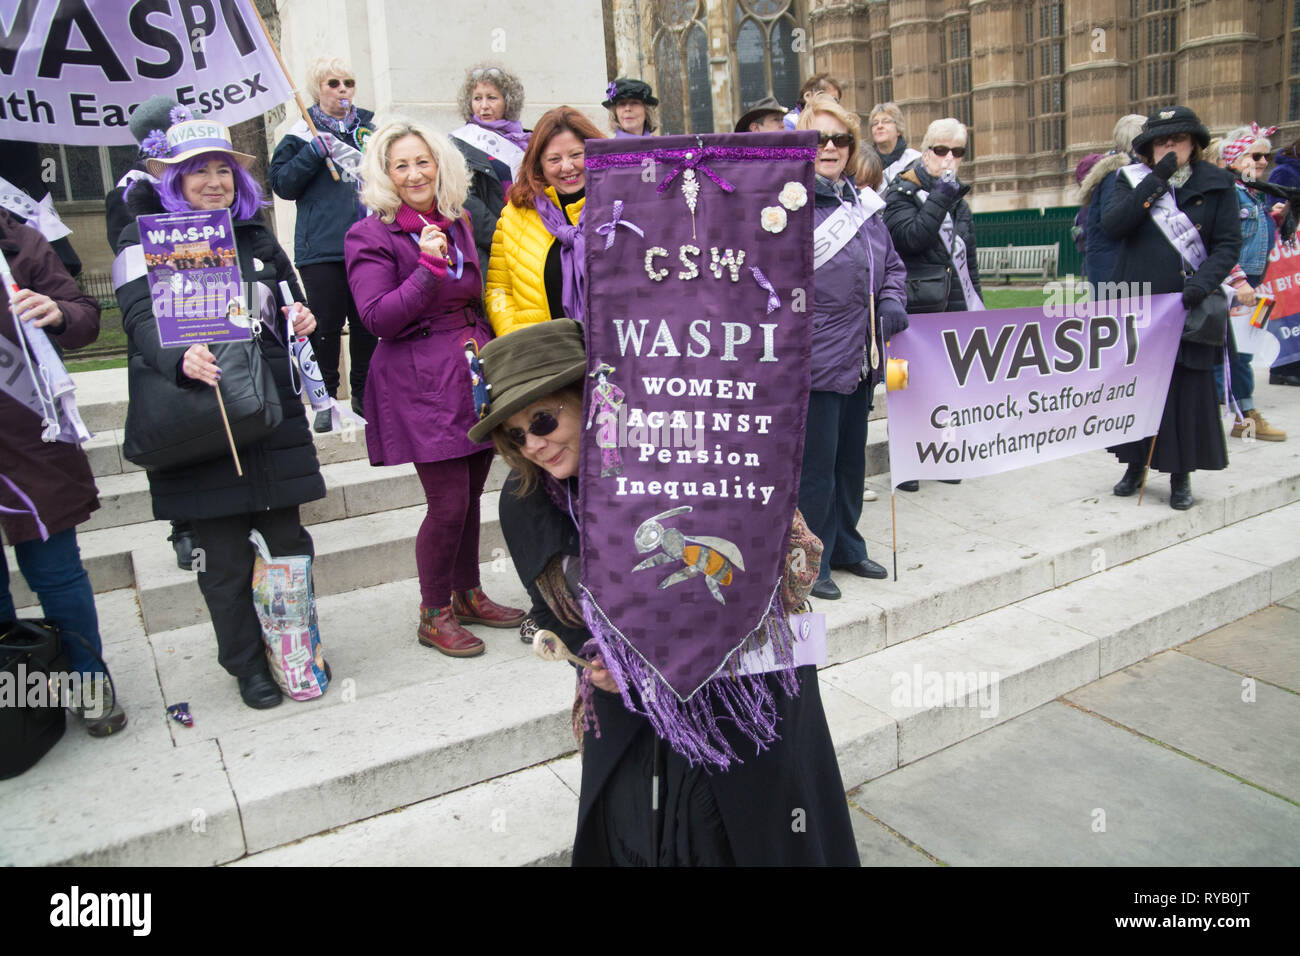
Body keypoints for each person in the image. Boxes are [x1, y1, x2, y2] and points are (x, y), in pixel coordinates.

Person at [471, 319, 860, 866]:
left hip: (740, 684)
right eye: (514, 435)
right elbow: (557, 610)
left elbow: (783, 562)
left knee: (761, 827)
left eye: (542, 418)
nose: (533, 444)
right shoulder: (527, 498)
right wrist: (592, 658)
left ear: (590, 397)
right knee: (656, 835)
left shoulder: (681, 445)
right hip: (637, 713)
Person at [116, 112, 325, 709]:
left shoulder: (256, 235)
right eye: (198, 171)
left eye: (223, 170)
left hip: (269, 413)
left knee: (289, 545)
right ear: (173, 180)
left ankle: (293, 647)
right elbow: (136, 321)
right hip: (201, 417)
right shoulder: (143, 238)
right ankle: (245, 666)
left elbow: (290, 301)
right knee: (225, 560)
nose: (214, 181)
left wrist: (300, 318)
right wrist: (179, 358)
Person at [344, 119, 524, 657]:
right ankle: (433, 612)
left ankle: (467, 593)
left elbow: (473, 290)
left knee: (469, 495)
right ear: (385, 174)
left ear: (440, 165)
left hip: (469, 370)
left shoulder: (458, 218)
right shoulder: (370, 233)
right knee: (446, 503)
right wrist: (426, 267)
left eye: (423, 161)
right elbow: (378, 319)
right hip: (418, 378)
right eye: (401, 165)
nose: (415, 173)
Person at [1, 210, 126, 735]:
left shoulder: (20, 241)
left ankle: (86, 682)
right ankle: (16, 694)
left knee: (56, 571)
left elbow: (84, 316)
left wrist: (55, 311)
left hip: (30, 437)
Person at [796, 96, 908, 600]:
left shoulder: (863, 207)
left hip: (861, 357)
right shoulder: (786, 207)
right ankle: (811, 558)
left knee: (850, 463)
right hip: (814, 359)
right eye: (819, 137)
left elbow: (895, 266)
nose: (830, 147)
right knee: (815, 467)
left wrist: (890, 299)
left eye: (840, 139)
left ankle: (846, 545)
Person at [1101, 106, 1240, 510]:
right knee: (1138, 388)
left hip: (1188, 304)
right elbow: (1114, 226)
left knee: (1185, 390)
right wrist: (1157, 180)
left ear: (1194, 144)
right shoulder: (1131, 181)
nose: (1170, 147)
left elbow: (1228, 244)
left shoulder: (1217, 183)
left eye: (1178, 140)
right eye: (1162, 141)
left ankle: (1181, 476)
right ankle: (1134, 465)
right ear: (1149, 149)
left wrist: (1201, 284)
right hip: (1139, 303)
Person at [269, 56, 377, 432]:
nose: (343, 89)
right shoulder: (302, 135)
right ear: (317, 90)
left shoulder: (370, 131)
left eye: (348, 82)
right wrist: (313, 153)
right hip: (322, 248)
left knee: (368, 323)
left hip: (369, 245)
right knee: (325, 325)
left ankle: (366, 395)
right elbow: (282, 184)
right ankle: (325, 398)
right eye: (333, 83)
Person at [884, 117, 982, 492]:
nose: (949, 159)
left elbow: (968, 260)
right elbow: (911, 238)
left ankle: (941, 453)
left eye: (957, 152)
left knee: (945, 386)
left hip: (952, 308)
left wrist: (978, 304)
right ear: (925, 152)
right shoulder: (901, 192)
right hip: (909, 310)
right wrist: (941, 195)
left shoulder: (957, 200)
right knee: (903, 384)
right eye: (941, 150)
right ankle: (906, 460)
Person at [485, 107, 603, 336]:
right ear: (538, 163)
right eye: (554, 159)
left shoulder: (618, 207)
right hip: (545, 360)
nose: (567, 167)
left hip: (616, 353)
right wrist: (515, 335)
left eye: (577, 155)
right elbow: (499, 289)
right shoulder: (514, 215)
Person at [1219, 124, 1286, 442]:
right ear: (1235, 158)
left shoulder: (1253, 194)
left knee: (1240, 352)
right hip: (1235, 287)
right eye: (1255, 155)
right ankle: (1246, 416)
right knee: (1239, 354)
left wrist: (1272, 219)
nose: (1262, 162)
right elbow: (1220, 242)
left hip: (1252, 287)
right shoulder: (1230, 193)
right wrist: (1239, 281)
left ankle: (1238, 414)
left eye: (1266, 156)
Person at [1081, 114, 1146, 290]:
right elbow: (1113, 223)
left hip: (1116, 268)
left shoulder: (1123, 172)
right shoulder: (1116, 177)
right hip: (1114, 273)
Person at [451, 63, 530, 186]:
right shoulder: (458, 142)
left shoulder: (526, 138)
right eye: (477, 98)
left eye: (491, 98)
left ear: (508, 101)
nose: (484, 106)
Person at [1268, 135, 1300, 385]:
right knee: (1284, 307)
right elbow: (1275, 207)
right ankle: (1283, 368)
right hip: (1285, 251)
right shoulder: (1284, 172)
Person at [868, 102, 921, 195]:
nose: (879, 126)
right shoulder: (866, 163)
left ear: (898, 129)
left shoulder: (915, 161)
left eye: (886, 121)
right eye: (875, 123)